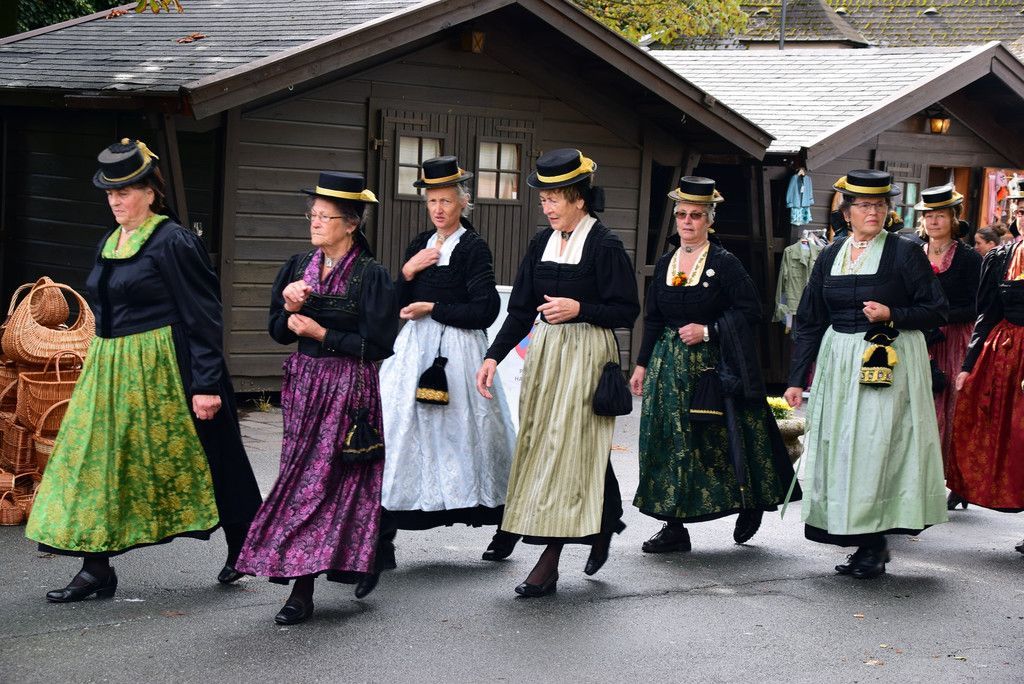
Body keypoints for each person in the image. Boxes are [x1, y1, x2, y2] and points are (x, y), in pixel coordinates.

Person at [26, 138, 262, 601]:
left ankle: (244, 546)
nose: (115, 201)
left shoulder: (173, 241)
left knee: (213, 457)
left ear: (150, 193)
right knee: (96, 462)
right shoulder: (110, 241)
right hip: (112, 370)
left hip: (170, 367)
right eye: (110, 193)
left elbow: (204, 315)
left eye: (125, 192)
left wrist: (206, 383)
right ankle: (96, 568)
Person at [233, 171, 398, 625]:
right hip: (304, 387)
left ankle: (302, 589)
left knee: (325, 483)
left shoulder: (371, 275)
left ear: (351, 224)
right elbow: (276, 331)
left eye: (326, 216)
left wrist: (323, 332)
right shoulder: (297, 266)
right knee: (303, 479)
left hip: (349, 388)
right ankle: (365, 553)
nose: (316, 222)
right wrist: (288, 310)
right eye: (314, 214)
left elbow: (380, 345)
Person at [476, 148, 639, 597]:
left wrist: (580, 308)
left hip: (588, 355)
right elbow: (521, 308)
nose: (546, 207)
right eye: (543, 199)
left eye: (554, 199)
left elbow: (626, 310)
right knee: (552, 445)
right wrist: (492, 356)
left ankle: (548, 562)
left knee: (566, 449)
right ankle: (602, 522)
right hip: (547, 355)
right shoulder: (541, 243)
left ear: (579, 199)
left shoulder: (604, 245)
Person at [784, 169, 948, 579]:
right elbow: (809, 319)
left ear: (888, 209)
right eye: (863, 205)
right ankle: (858, 535)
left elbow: (936, 310)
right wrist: (795, 378)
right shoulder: (830, 254)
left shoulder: (903, 253)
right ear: (847, 212)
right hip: (839, 363)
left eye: (879, 204)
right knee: (844, 449)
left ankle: (874, 542)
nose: (872, 211)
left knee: (876, 447)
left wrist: (893, 313)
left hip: (888, 361)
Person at [629, 177, 798, 554]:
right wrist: (641, 364)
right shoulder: (666, 263)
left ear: (709, 220)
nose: (688, 222)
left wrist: (708, 331)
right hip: (667, 368)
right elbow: (653, 318)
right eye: (682, 215)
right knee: (667, 443)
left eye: (696, 215)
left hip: (712, 370)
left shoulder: (724, 263)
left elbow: (751, 311)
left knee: (714, 444)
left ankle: (749, 501)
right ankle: (673, 526)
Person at [376, 156, 519, 568]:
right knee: (400, 432)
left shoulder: (473, 247)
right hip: (413, 354)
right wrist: (407, 272)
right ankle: (385, 531)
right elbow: (395, 305)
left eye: (446, 201)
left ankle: (506, 524)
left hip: (457, 354)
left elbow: (486, 309)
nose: (438, 209)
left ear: (463, 202)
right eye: (432, 201)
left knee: (469, 436)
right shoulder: (419, 244)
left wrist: (433, 308)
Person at [946, 236, 1024, 554]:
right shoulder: (1000, 257)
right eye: (1021, 212)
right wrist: (967, 365)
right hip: (1005, 356)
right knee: (1006, 439)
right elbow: (987, 315)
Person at [913, 185, 981, 509]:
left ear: (953, 219)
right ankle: (918, 480)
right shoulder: (913, 252)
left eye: (940, 215)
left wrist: (940, 316)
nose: (933, 221)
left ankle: (957, 481)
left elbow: (978, 305)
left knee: (952, 411)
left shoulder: (969, 258)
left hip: (955, 339)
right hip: (919, 338)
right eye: (928, 215)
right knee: (920, 410)